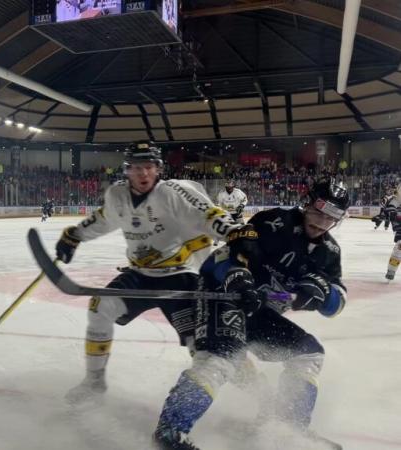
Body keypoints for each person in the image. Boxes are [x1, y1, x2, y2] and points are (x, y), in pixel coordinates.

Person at [153, 177, 350, 450]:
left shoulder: (329, 253)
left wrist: (322, 292)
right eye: (318, 211)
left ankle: (286, 426)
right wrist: (238, 278)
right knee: (221, 358)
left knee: (309, 353)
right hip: (221, 296)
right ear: (306, 203)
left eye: (331, 217)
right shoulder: (274, 223)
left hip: (257, 309)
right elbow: (228, 256)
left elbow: (338, 301)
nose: (321, 222)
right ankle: (170, 431)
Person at [54, 141, 243, 404]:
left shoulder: (173, 192)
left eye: (149, 167)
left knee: (199, 343)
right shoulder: (117, 195)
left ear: (158, 169)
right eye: (137, 168)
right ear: (127, 170)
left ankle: (249, 387)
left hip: (180, 277)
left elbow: (207, 215)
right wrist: (75, 236)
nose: (143, 173)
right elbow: (104, 219)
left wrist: (237, 234)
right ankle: (94, 382)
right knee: (100, 308)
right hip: (140, 274)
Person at [384, 186, 401, 280]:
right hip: (400, 225)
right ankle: (391, 270)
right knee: (400, 246)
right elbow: (390, 207)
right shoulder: (396, 198)